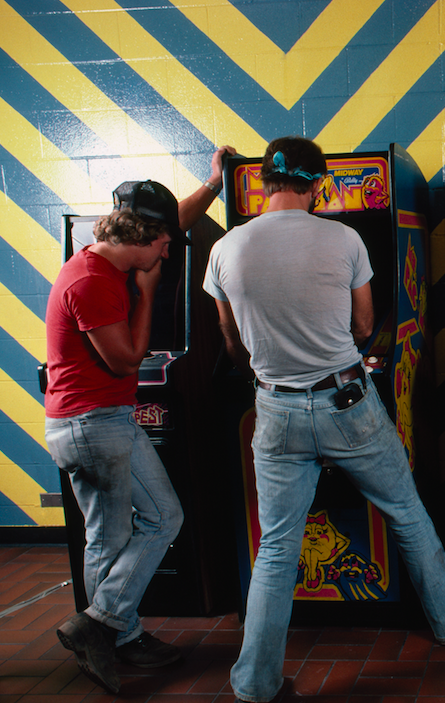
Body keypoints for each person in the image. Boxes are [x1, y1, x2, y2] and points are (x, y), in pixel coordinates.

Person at [202, 136, 445, 703]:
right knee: (405, 509)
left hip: (273, 408)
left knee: (277, 546)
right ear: (319, 183)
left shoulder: (226, 248)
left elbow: (229, 339)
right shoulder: (345, 237)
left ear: (262, 183)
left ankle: (255, 682)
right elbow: (364, 325)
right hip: (345, 402)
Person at [45, 146, 237, 694]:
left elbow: (168, 222)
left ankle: (116, 633)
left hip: (95, 421)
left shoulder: (106, 257)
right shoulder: (94, 282)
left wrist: (213, 185)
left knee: (114, 533)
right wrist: (149, 295)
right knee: (148, 524)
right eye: (163, 244)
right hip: (94, 424)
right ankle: (101, 625)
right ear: (140, 240)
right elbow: (127, 358)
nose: (170, 249)